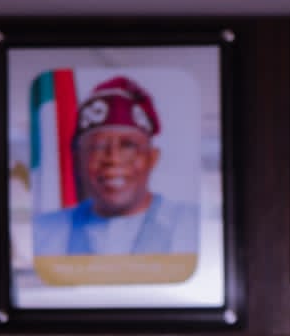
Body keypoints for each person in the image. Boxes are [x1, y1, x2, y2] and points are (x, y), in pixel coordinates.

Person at [32, 75, 199, 257]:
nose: (113, 158)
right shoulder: (44, 231)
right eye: (97, 146)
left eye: (128, 145)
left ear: (152, 158)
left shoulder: (192, 225)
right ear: (78, 158)